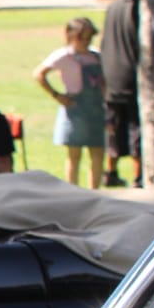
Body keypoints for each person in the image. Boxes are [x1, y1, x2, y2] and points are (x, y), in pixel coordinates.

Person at [34, 16, 106, 188]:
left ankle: (94, 191)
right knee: (74, 155)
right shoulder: (63, 56)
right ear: (70, 36)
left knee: (97, 152)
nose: (86, 42)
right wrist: (56, 95)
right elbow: (39, 74)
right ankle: (73, 191)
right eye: (82, 38)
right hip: (75, 109)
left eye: (89, 38)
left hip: (96, 108)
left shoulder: (96, 55)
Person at [100, 0, 143, 187]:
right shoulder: (137, 7)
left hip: (111, 77)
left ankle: (111, 171)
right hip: (131, 78)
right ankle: (138, 176)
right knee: (137, 129)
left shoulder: (113, 7)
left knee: (114, 129)